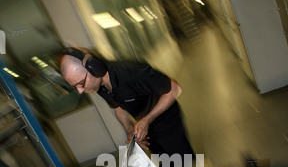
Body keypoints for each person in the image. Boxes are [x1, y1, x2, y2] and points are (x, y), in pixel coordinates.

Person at [59, 47, 195, 158]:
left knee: (185, 165)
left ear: (95, 68)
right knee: (166, 164)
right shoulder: (99, 86)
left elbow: (175, 89)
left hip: (166, 120)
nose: (80, 91)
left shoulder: (131, 73)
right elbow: (118, 107)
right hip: (145, 126)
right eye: (75, 86)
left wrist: (147, 119)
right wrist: (130, 129)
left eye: (81, 84)